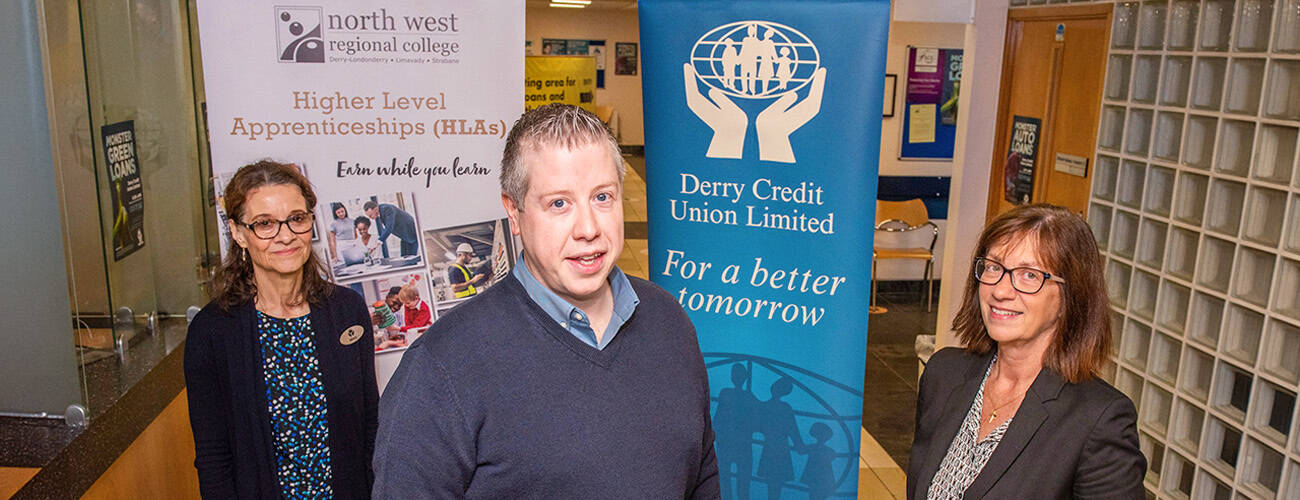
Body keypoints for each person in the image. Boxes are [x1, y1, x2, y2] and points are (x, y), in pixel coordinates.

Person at [373, 103, 719, 498]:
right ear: (514, 213)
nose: (588, 228)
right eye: (559, 203)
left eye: (603, 197)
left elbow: (702, 475)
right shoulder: (441, 368)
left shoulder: (668, 320)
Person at [907, 203, 1145, 499]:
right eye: (994, 267)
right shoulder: (944, 372)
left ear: (1071, 296)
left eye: (1029, 275)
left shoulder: (1099, 418)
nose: (1001, 291)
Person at [185, 160, 378, 499]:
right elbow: (214, 459)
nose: (285, 235)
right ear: (238, 232)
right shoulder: (212, 331)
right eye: (265, 224)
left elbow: (369, 428)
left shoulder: (348, 310)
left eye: (296, 219)